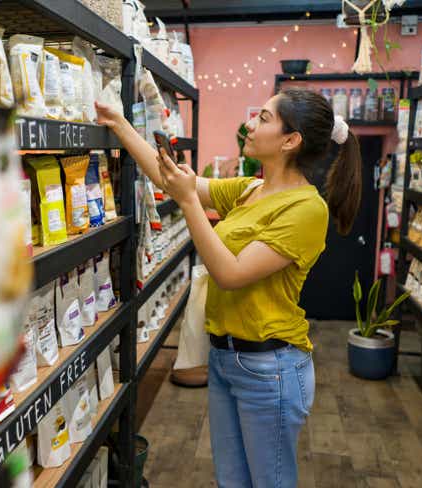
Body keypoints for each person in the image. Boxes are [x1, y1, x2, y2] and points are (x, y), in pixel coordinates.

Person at [94, 89, 362, 487]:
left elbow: (230, 273)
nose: (250, 125)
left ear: (291, 141)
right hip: (225, 358)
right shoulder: (251, 189)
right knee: (231, 481)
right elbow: (171, 179)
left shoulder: (307, 208)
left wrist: (189, 204)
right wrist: (118, 122)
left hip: (270, 368)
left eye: (264, 119)